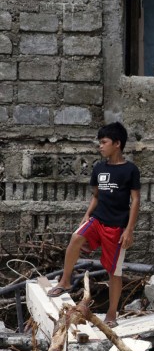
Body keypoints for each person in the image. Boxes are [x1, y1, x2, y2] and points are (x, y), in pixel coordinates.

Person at [47, 122, 141, 328]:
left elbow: (135, 200)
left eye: (104, 142)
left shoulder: (130, 170)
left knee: (114, 271)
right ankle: (65, 281)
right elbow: (96, 196)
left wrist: (129, 229)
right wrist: (86, 215)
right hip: (97, 219)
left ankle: (112, 313)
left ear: (117, 144)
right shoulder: (99, 167)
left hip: (117, 227)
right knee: (75, 238)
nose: (100, 146)